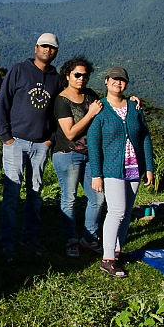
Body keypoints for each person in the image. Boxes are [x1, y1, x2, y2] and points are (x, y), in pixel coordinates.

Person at [0, 32, 62, 260]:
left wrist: (50, 138)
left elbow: (60, 109)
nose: (47, 50)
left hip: (41, 144)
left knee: (36, 194)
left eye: (52, 48)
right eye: (44, 46)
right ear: (35, 48)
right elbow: (3, 102)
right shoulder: (19, 70)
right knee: (12, 193)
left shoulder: (56, 78)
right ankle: (7, 242)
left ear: (56, 51)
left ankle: (30, 237)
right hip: (16, 141)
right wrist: (6, 136)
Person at [88, 67, 154, 278]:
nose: (118, 83)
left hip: (134, 167)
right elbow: (93, 143)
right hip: (112, 168)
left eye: (122, 80)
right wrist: (96, 174)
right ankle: (107, 259)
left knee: (125, 212)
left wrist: (149, 167)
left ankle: (117, 251)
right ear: (106, 81)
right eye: (114, 79)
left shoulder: (135, 108)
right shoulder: (100, 109)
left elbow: (145, 137)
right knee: (116, 211)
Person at [52, 56, 105, 258]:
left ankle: (89, 238)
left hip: (90, 154)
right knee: (69, 198)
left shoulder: (90, 95)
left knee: (98, 198)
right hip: (68, 154)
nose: (81, 79)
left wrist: (131, 101)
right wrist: (90, 114)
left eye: (85, 75)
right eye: (77, 75)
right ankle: (71, 240)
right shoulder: (61, 100)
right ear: (68, 75)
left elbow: (108, 107)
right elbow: (70, 133)